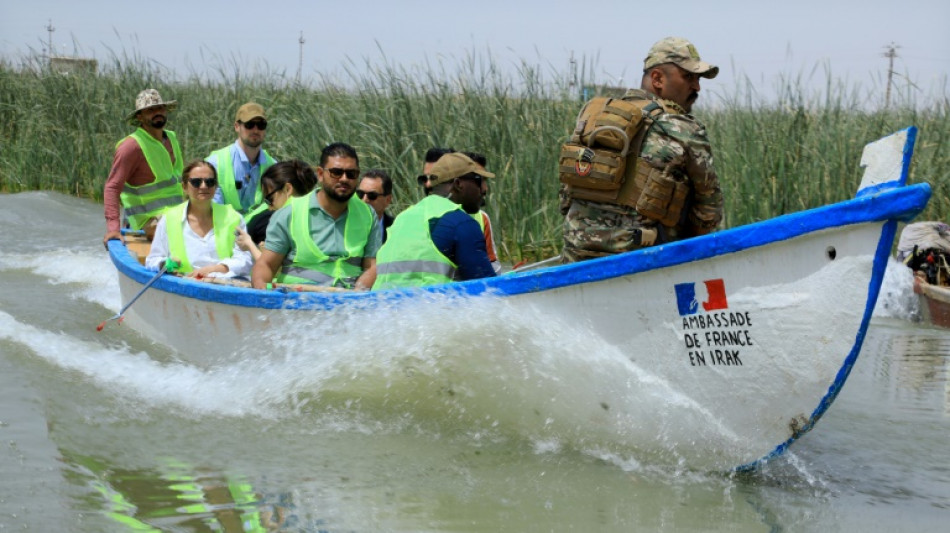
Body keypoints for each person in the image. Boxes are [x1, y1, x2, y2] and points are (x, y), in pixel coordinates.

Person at [562, 36, 724, 262]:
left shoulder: (596, 117)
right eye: (688, 77)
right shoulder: (684, 128)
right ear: (657, 78)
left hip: (576, 253)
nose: (696, 87)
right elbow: (708, 212)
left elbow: (568, 189)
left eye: (698, 79)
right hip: (640, 260)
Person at [251, 142, 381, 290]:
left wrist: (359, 294)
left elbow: (372, 267)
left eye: (351, 174)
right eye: (336, 172)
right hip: (298, 302)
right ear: (320, 174)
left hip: (349, 303)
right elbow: (266, 265)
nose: (344, 179)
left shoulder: (368, 214)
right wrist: (264, 293)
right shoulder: (289, 213)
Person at [374, 152, 497, 289]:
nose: (484, 189)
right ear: (458, 184)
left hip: (380, 304)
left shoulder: (403, 217)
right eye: (479, 180)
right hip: (426, 306)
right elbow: (489, 291)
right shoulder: (462, 223)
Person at [102, 89, 184, 248]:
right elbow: (112, 187)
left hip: (176, 215)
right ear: (139, 116)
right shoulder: (131, 147)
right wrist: (113, 229)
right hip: (147, 223)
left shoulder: (172, 138)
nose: (157, 113)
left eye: (160, 108)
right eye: (150, 110)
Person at [146, 160, 253, 278]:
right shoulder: (169, 219)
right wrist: (166, 264)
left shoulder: (234, 218)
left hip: (226, 289)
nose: (203, 186)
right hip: (182, 289)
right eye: (196, 182)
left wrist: (215, 269)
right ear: (184, 186)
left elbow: (245, 259)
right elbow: (152, 260)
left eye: (210, 182)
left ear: (216, 186)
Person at [235, 160, 318, 260]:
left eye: (269, 199)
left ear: (288, 189)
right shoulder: (316, 211)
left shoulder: (285, 219)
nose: (269, 208)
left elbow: (272, 267)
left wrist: (250, 245)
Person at [207, 102, 277, 214]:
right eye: (249, 124)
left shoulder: (273, 166)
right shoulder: (215, 163)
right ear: (237, 127)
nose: (255, 130)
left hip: (259, 229)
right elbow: (211, 210)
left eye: (261, 125)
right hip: (226, 229)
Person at [461, 151, 502, 273]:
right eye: (479, 180)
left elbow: (493, 266)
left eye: (485, 180)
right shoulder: (437, 217)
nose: (485, 188)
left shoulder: (482, 218)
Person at [357, 169, 395, 242]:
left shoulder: (397, 228)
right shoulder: (343, 225)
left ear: (387, 200)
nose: (364, 200)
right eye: (360, 194)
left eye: (372, 195)